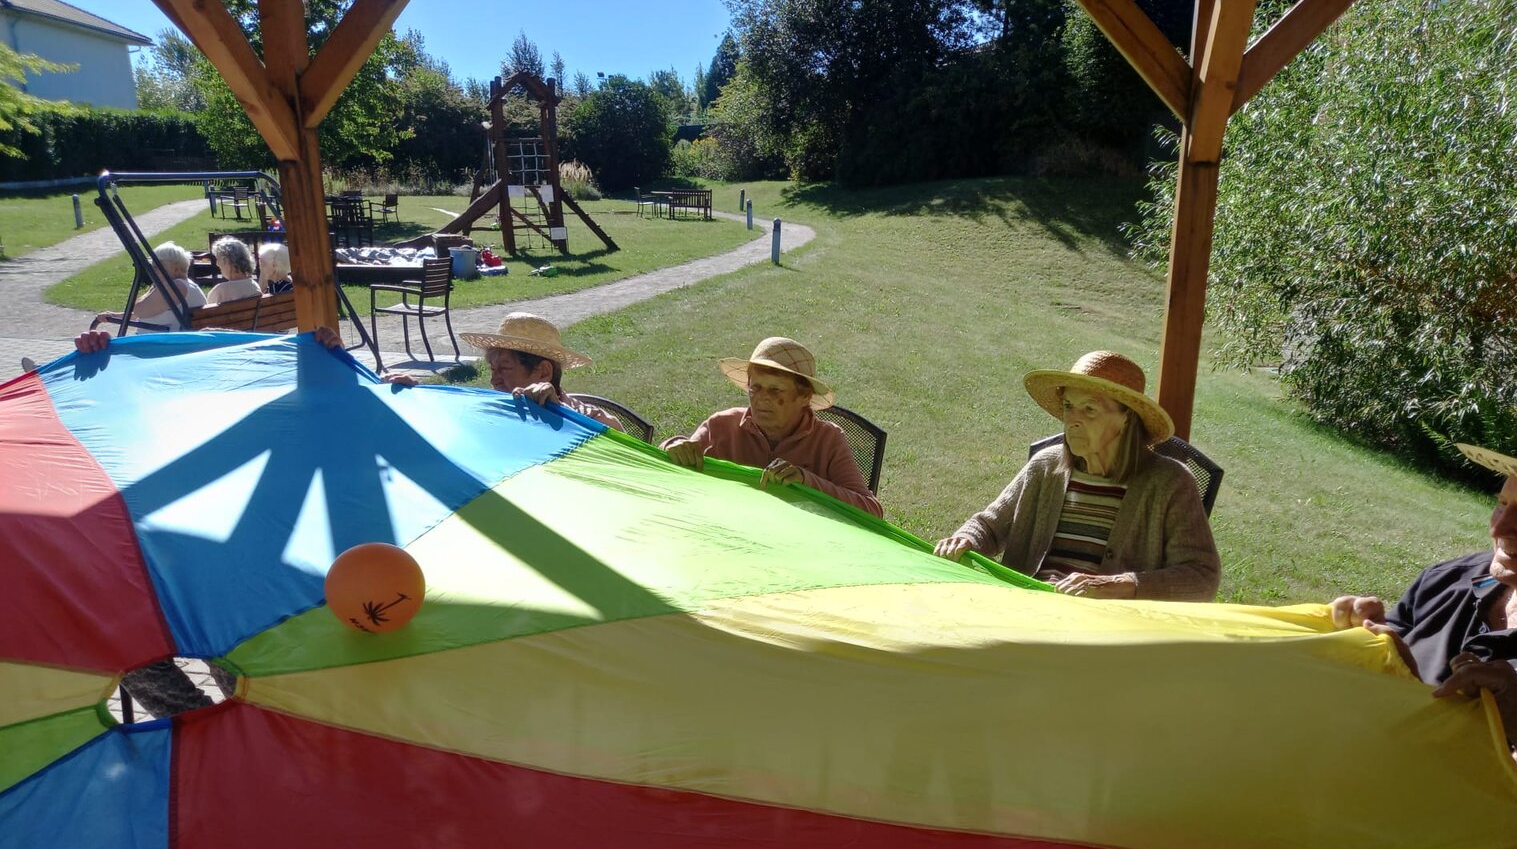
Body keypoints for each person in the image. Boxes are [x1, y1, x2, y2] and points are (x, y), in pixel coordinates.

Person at [1330, 415, 1517, 849]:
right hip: (1354, 814)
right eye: (1502, 503)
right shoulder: (1449, 581)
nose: (1500, 527)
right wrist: (1363, 635)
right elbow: (1370, 683)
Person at [934, 351, 1219, 600]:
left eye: (1089, 409)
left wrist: (1121, 585)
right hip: (1024, 609)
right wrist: (966, 539)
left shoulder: (1169, 483)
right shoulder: (1046, 467)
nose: (1072, 420)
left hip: (1103, 629)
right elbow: (990, 526)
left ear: (1127, 418)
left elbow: (1202, 577)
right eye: (1069, 406)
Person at [661, 337, 883, 517]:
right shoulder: (721, 425)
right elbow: (671, 464)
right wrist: (674, 445)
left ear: (804, 396)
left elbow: (871, 511)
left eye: (775, 390)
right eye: (755, 388)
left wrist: (806, 481)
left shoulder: (827, 439)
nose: (762, 398)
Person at [314, 314, 627, 433]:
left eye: (505, 368)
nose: (494, 379)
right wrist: (412, 395)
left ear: (543, 372)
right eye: (492, 369)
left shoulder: (587, 417)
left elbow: (621, 444)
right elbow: (441, 422)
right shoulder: (493, 410)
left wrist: (556, 412)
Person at [93, 240, 205, 333]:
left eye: (158, 266)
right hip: (162, 342)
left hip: (163, 346)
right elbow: (144, 312)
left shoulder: (176, 287)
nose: (153, 270)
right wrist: (114, 315)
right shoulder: (183, 286)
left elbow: (139, 310)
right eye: (153, 266)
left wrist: (154, 287)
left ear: (176, 269)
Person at [206, 237, 261, 305]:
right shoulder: (254, 287)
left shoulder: (220, 291)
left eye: (218, 259)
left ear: (228, 262)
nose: (217, 264)